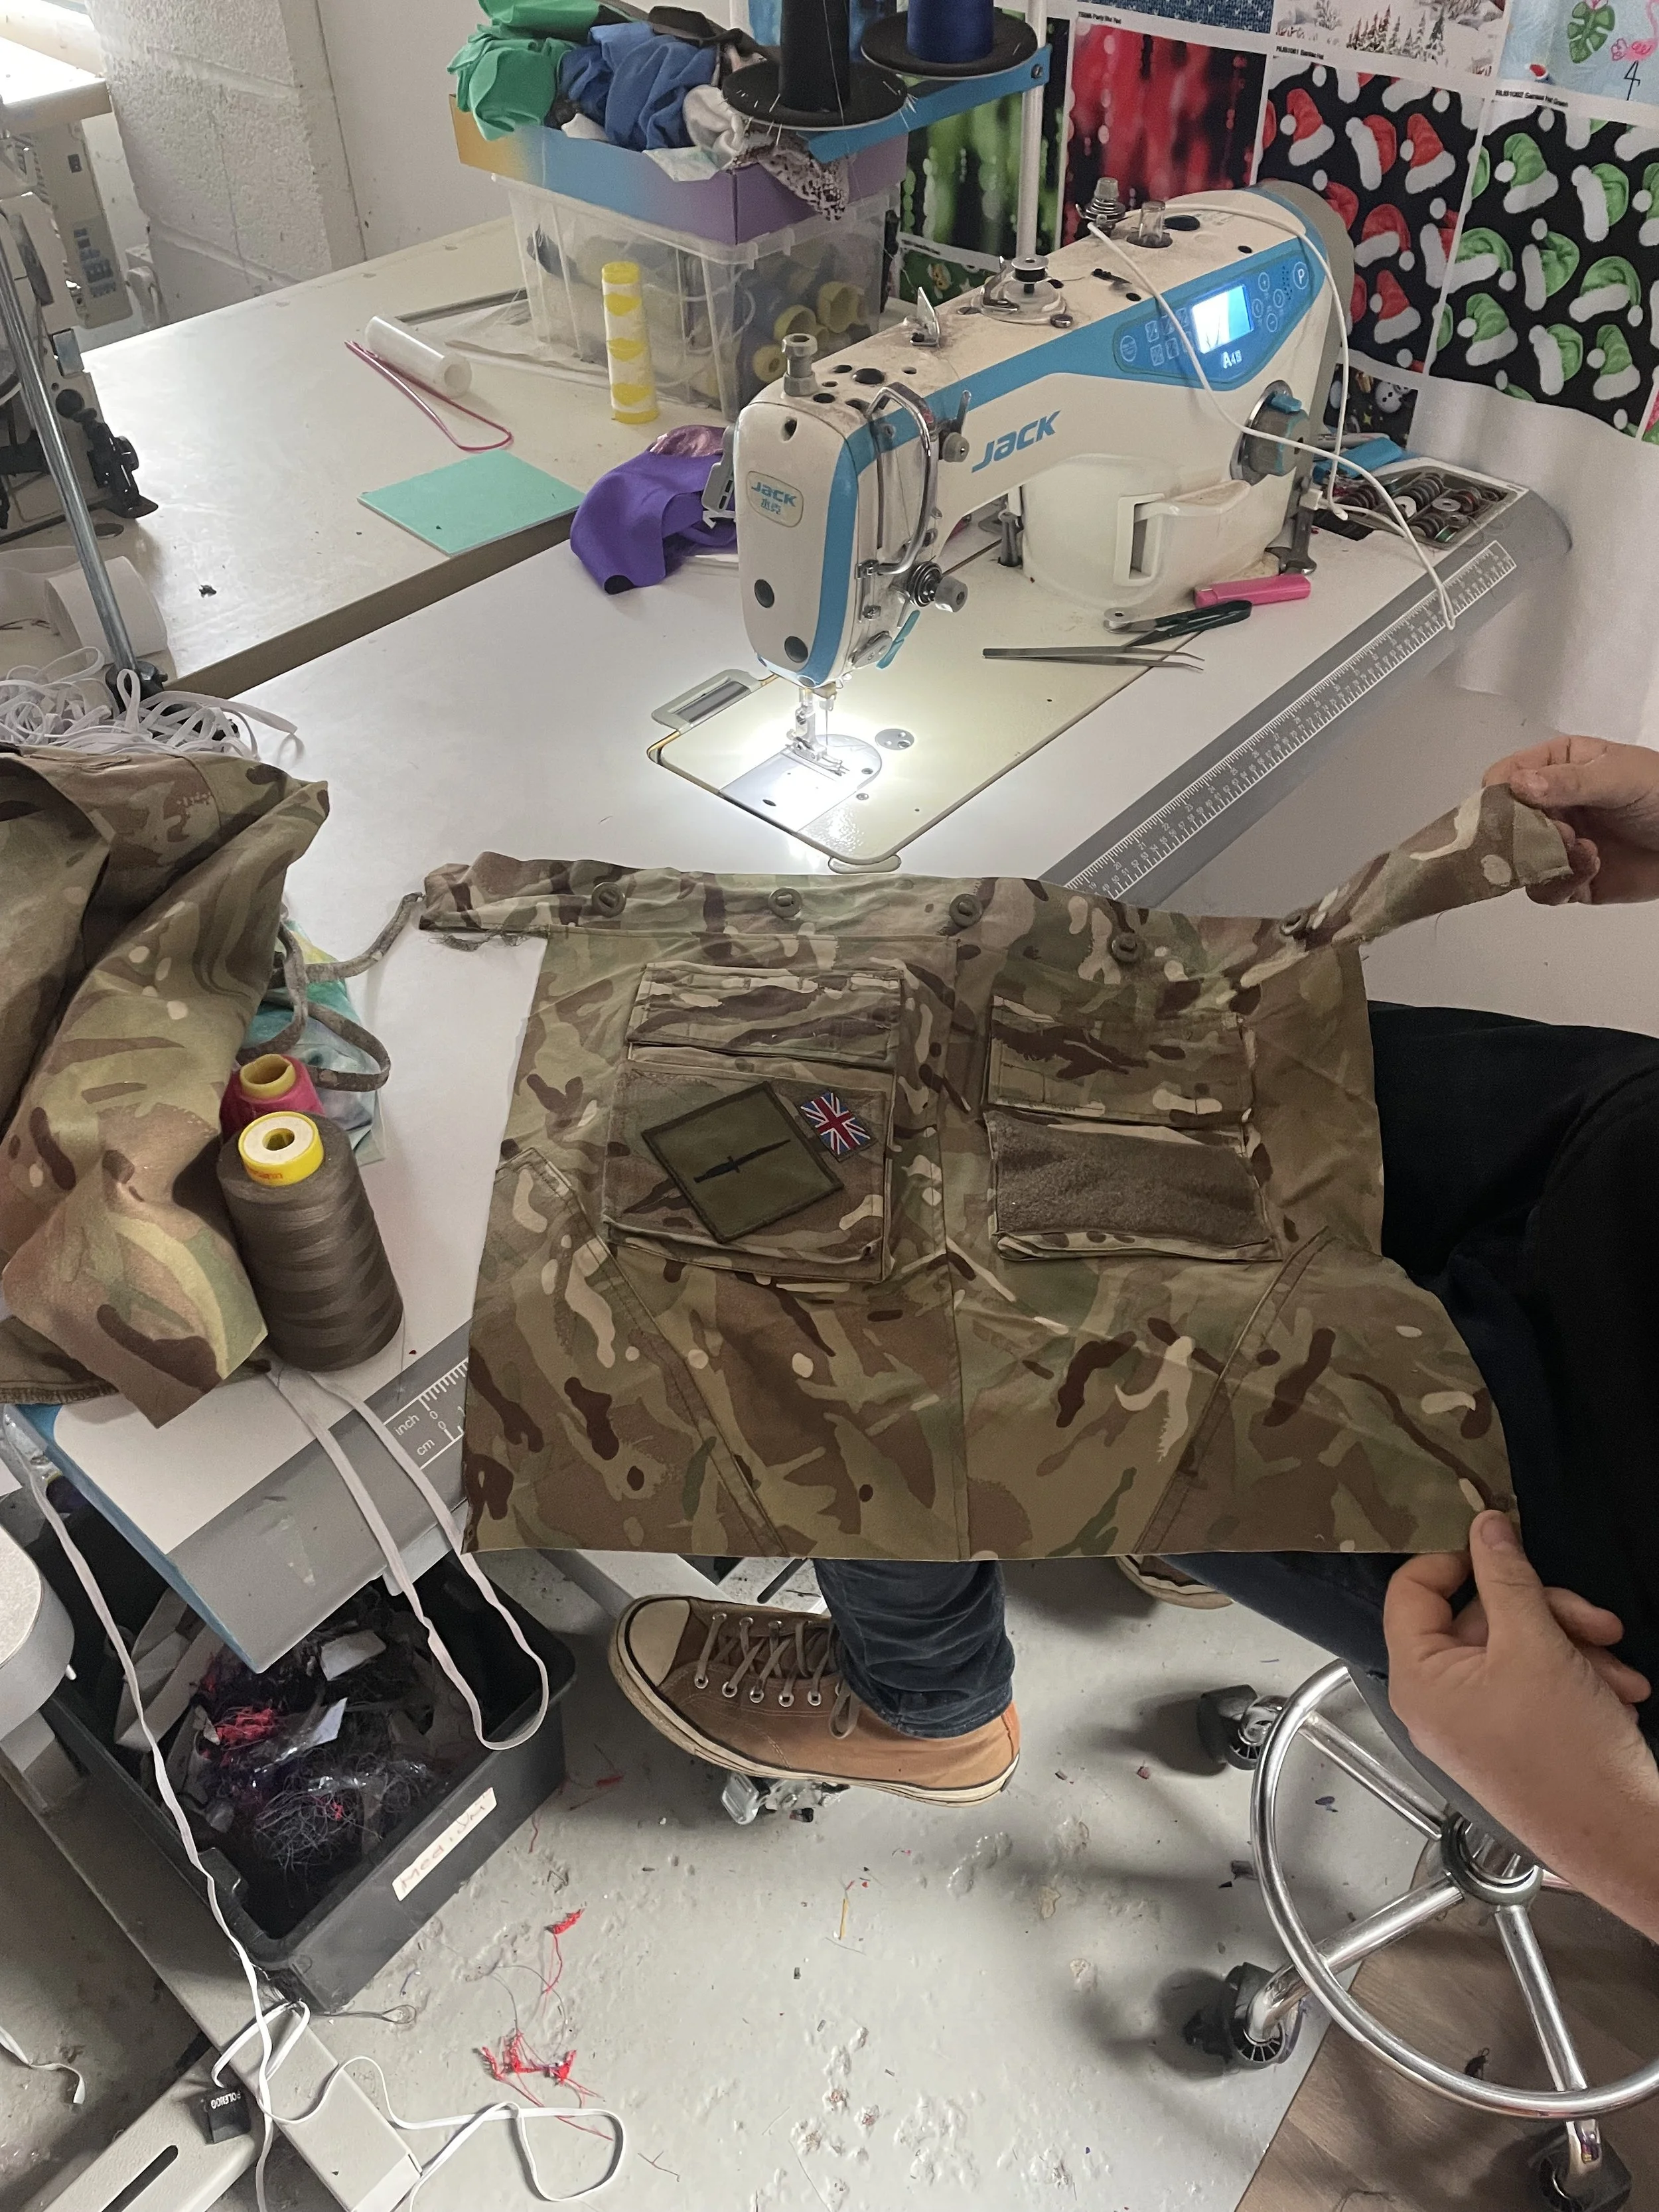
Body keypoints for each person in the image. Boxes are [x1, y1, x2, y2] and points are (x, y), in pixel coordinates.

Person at [610, 733, 1659, 1926]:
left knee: (841, 1268)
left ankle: (923, 1703)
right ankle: (1186, 1521)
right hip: (1611, 1155)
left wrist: (1618, 1829)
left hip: (1588, 1514)